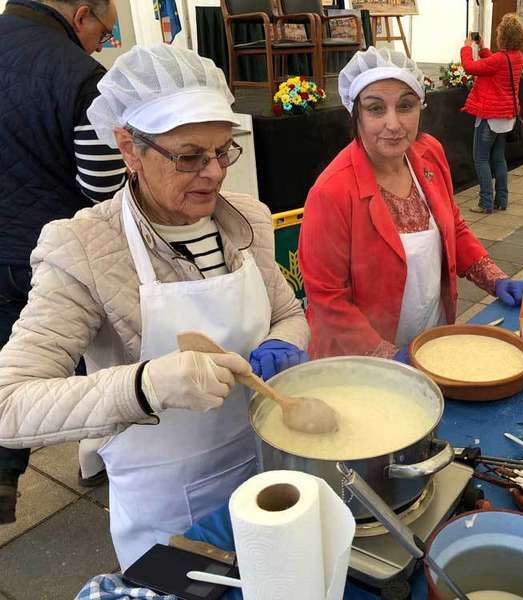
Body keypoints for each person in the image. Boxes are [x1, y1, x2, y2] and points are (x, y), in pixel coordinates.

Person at [0, 44, 309, 570]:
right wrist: (147, 386)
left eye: (223, 151)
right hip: (167, 511)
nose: (213, 173)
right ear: (128, 147)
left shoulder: (248, 222)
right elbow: (10, 405)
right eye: (189, 156)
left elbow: (288, 311)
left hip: (263, 471)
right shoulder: (84, 249)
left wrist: (287, 340)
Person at [299, 47, 523, 359]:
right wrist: (389, 357)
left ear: (421, 106)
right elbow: (326, 298)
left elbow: (453, 229)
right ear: (356, 115)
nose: (393, 124)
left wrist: (495, 279)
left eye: (405, 106)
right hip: (360, 361)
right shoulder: (332, 191)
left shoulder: (429, 153)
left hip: (431, 339)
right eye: (376, 109)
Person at [0, 0, 128, 523]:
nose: (102, 43)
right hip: (43, 254)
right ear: (81, 16)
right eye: (104, 31)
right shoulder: (81, 78)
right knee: (54, 365)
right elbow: (105, 194)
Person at [460, 13, 523, 214]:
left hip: (490, 117)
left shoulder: (500, 59)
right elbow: (495, 64)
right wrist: (482, 48)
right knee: (498, 158)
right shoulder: (517, 57)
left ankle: (485, 202)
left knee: (481, 159)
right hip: (507, 117)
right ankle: (501, 200)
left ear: (502, 36)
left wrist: (466, 47)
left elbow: (470, 67)